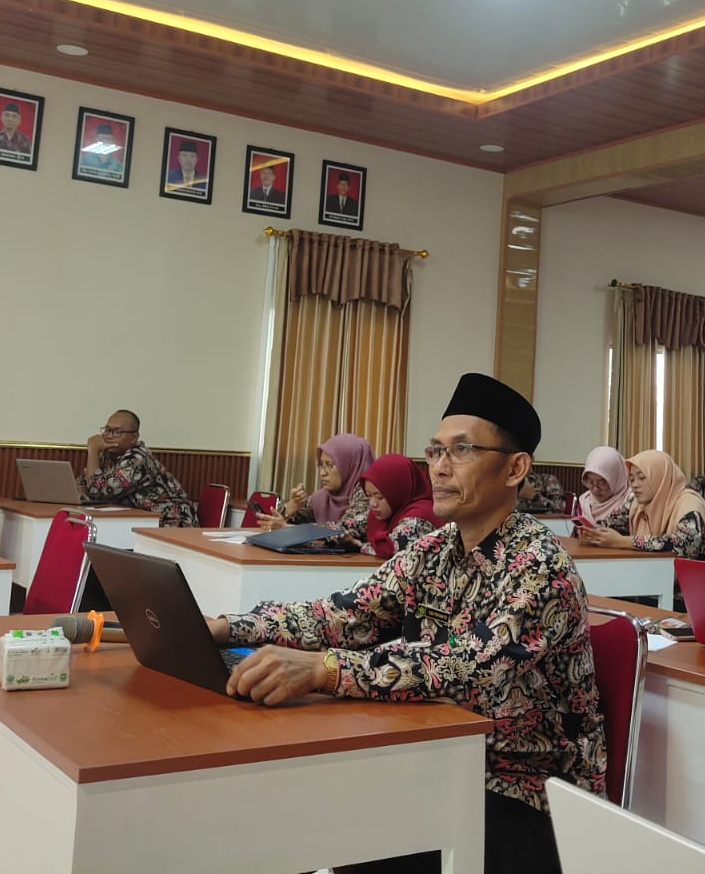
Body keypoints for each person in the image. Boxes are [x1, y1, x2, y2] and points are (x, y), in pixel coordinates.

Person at [210, 372, 606, 874]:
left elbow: (465, 669)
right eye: (435, 451)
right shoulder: (434, 549)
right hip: (436, 758)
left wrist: (323, 670)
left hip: (524, 794)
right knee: (301, 812)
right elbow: (346, 614)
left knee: (353, 835)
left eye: (461, 450)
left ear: (515, 468)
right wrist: (228, 627)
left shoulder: (540, 565)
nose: (439, 466)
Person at [577, 449, 705, 566]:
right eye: (631, 479)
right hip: (655, 576)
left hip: (695, 585)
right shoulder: (637, 503)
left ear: (660, 478)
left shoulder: (689, 504)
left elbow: (682, 544)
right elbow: (607, 524)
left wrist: (621, 541)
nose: (635, 485)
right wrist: (592, 535)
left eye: (642, 478)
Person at [76, 409, 196, 526]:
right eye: (107, 430)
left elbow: (99, 491)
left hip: (169, 522)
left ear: (134, 437)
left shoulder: (138, 458)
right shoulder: (108, 454)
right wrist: (80, 489)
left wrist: (93, 450)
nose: (109, 436)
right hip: (139, 520)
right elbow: (84, 481)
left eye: (117, 432)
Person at [262, 433, 374, 534]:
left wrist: (289, 529)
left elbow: (343, 531)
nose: (322, 473)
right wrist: (291, 507)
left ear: (351, 465)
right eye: (321, 465)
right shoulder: (322, 497)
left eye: (330, 465)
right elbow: (281, 522)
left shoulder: (368, 494)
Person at [359, 454, 440, 558]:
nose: (373, 503)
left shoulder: (420, 514)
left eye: (379, 497)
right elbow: (353, 524)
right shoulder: (389, 509)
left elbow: (393, 547)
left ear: (399, 491)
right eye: (369, 496)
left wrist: (359, 546)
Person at [574, 445, 631, 526]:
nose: (595, 489)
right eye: (590, 481)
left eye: (601, 483)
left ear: (617, 479)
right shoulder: (585, 502)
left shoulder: (630, 502)